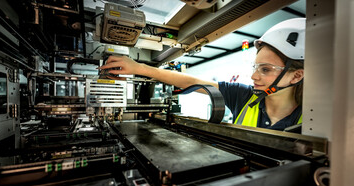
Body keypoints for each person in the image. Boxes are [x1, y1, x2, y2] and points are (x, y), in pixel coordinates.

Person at [98, 18, 305, 131]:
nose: (254, 77)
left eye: (265, 69)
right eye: (255, 67)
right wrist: (139, 68)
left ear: (296, 76)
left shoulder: (313, 119)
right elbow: (194, 82)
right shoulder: (243, 96)